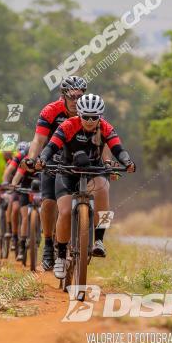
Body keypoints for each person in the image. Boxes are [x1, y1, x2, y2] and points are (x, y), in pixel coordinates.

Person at [37, 93, 135, 279]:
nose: (90, 121)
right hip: (67, 171)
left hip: (93, 170)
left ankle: (99, 239)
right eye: (86, 117)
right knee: (65, 212)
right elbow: (51, 146)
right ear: (79, 114)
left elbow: (118, 149)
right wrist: (42, 159)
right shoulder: (67, 126)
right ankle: (62, 255)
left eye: (94, 117)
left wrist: (127, 161)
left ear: (100, 117)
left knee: (104, 190)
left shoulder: (105, 128)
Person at [22, 75, 88, 270]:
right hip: (52, 157)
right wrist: (33, 159)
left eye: (80, 95)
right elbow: (38, 140)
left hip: (79, 158)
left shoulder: (89, 109)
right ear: (64, 95)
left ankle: (86, 232)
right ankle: (49, 243)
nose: (77, 101)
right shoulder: (51, 111)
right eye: (73, 96)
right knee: (49, 200)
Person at [9, 142, 39, 262]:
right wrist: (13, 185)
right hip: (25, 190)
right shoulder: (25, 162)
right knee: (25, 217)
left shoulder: (43, 161)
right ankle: (21, 247)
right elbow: (17, 176)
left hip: (39, 192)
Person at [2, 141, 30, 253]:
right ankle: (13, 234)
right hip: (17, 187)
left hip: (30, 187)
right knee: (14, 208)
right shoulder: (15, 160)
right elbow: (8, 173)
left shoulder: (36, 159)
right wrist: (6, 184)